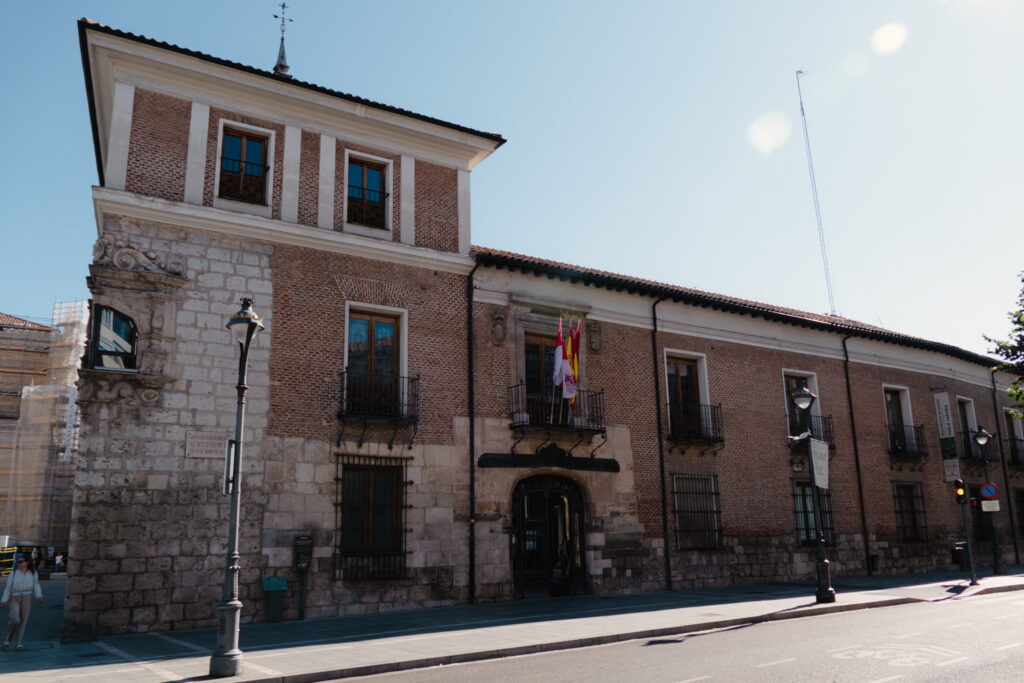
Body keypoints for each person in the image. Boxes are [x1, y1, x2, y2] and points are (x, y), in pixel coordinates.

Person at [1, 557, 44, 651]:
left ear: (27, 563)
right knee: (15, 619)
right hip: (14, 597)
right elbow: (8, 588)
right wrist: (3, 600)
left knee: (23, 621)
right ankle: (8, 639)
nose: (19, 563)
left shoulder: (33, 573)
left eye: (21, 562)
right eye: (18, 562)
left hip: (27, 597)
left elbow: (36, 585)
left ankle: (19, 643)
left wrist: (38, 596)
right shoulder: (14, 573)